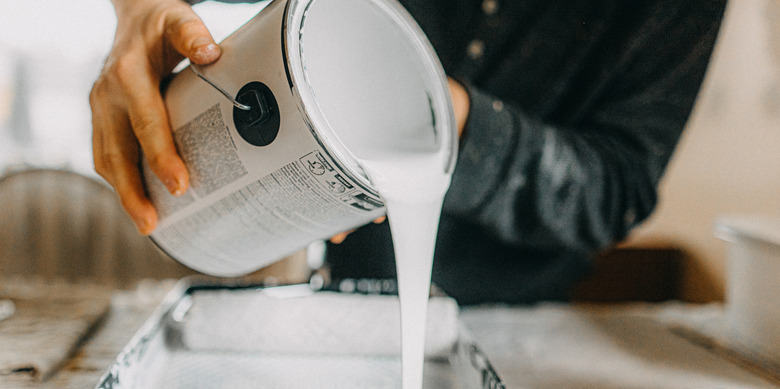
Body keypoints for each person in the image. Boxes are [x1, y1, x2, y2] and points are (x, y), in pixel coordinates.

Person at [90, 0, 728, 304]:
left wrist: (448, 119)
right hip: (337, 282)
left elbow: (619, 189)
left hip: (520, 317)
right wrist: (140, 9)